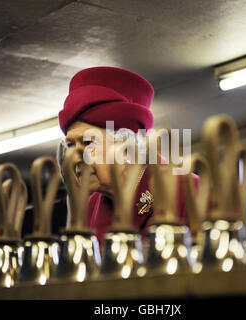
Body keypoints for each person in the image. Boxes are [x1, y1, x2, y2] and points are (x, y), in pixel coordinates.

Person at [57, 66, 197, 242]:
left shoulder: (190, 192)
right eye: (70, 145)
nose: (75, 158)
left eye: (88, 143)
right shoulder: (90, 208)